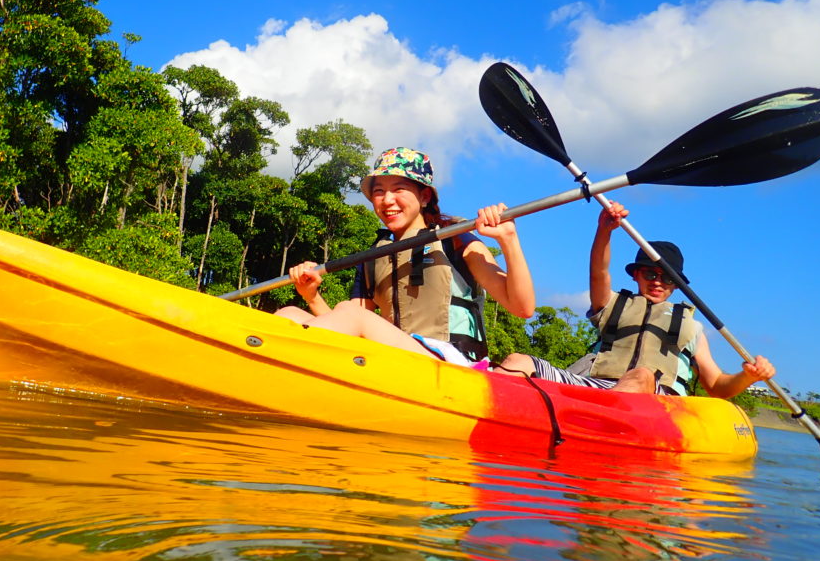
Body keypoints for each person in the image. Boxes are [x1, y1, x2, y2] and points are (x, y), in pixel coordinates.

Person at [275, 147, 535, 363]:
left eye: (398, 189)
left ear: (423, 197)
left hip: (451, 362)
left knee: (351, 313)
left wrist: (508, 239)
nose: (387, 200)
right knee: (290, 314)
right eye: (379, 191)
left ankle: (277, 355)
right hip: (398, 360)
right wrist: (311, 296)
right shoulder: (373, 258)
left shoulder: (455, 239)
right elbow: (341, 327)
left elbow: (522, 307)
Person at [496, 201, 776, 396]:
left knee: (642, 375)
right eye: (651, 274)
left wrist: (748, 377)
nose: (658, 282)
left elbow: (716, 385)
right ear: (636, 275)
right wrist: (605, 230)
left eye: (667, 278)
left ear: (677, 286)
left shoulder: (692, 327)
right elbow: (599, 272)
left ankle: (598, 420)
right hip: (596, 387)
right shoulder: (613, 304)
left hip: (653, 398)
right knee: (519, 360)